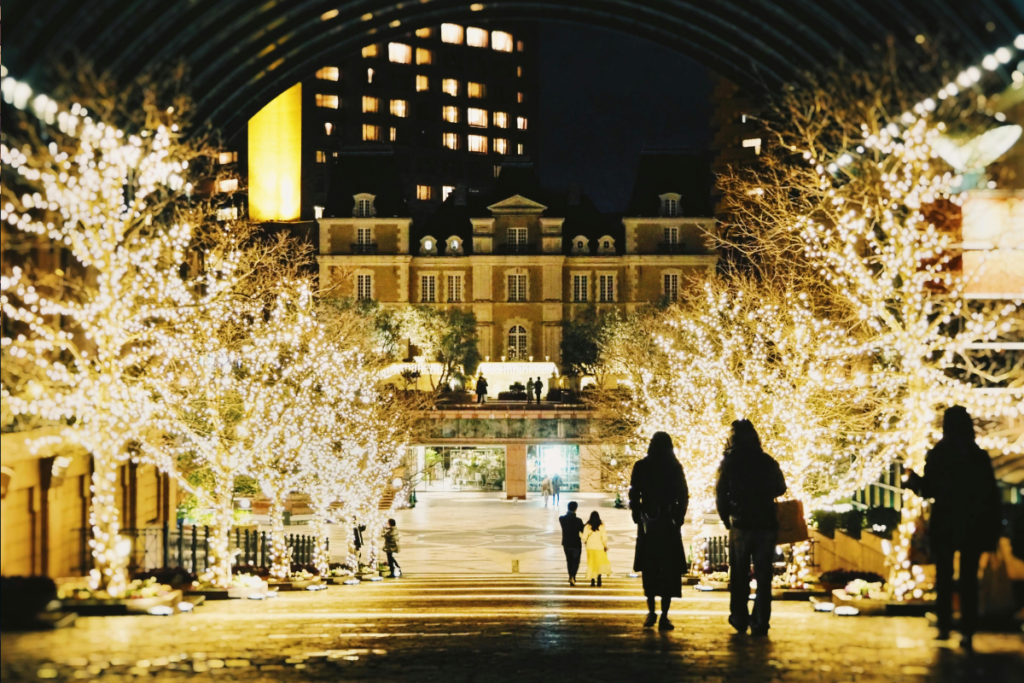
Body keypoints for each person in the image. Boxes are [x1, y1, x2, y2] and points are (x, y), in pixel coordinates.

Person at [904, 406, 1001, 651]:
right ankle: (967, 630)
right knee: (968, 578)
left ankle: (945, 625)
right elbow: (990, 494)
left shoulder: (939, 453)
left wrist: (912, 480)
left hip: (946, 522)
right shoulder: (977, 454)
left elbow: (929, 490)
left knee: (944, 575)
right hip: (973, 524)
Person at [715, 419, 787, 637]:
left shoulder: (728, 462)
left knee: (739, 574)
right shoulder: (767, 461)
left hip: (740, 524)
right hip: (765, 524)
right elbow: (781, 488)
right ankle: (761, 620)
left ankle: (739, 617)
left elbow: (720, 494)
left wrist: (727, 520)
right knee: (764, 575)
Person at [629, 432, 689, 630]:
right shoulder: (674, 467)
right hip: (668, 523)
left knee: (650, 568)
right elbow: (683, 494)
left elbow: (634, 492)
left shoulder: (642, 466)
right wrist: (679, 516)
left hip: (649, 523)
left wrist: (637, 513)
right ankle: (664, 614)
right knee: (668, 570)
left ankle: (652, 611)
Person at [559, 501, 585, 585]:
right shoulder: (578, 521)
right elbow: (583, 530)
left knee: (569, 560)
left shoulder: (562, 519)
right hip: (576, 543)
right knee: (576, 561)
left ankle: (571, 576)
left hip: (566, 543)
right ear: (576, 509)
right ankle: (573, 576)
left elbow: (563, 518)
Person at [583, 511, 612, 586]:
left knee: (591, 563)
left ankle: (592, 581)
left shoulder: (587, 526)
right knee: (599, 563)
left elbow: (584, 537)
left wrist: (579, 534)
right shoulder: (601, 525)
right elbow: (604, 538)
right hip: (599, 547)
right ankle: (599, 579)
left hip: (590, 547)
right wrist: (604, 545)